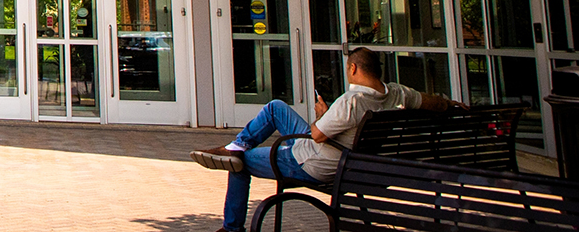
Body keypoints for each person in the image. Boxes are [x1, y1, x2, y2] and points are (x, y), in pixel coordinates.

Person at [189, 46, 460, 232]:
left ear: (353, 68)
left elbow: (318, 135)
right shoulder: (398, 94)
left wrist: (324, 114)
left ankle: (232, 224)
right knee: (275, 107)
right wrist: (452, 105)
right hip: (353, 161)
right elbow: (431, 102)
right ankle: (235, 145)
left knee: (238, 164)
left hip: (315, 163)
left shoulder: (351, 102)